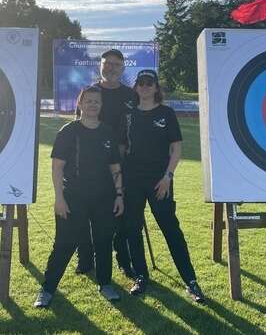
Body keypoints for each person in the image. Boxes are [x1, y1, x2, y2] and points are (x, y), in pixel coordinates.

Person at [34, 85, 125, 307]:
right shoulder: (68, 131)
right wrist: (59, 198)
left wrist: (119, 195)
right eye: (89, 101)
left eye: (97, 101)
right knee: (65, 243)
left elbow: (115, 168)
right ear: (80, 104)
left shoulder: (107, 133)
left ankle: (105, 284)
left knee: (103, 241)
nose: (93, 105)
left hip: (104, 198)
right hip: (73, 197)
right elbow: (57, 168)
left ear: (101, 106)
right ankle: (47, 289)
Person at [121, 69, 205, 303]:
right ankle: (141, 276)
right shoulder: (128, 114)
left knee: (171, 229)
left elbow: (176, 149)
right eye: (141, 83)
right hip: (132, 180)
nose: (145, 86)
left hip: (160, 181)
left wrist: (167, 177)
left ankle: (191, 280)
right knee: (133, 230)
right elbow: (121, 146)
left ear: (157, 87)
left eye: (150, 83)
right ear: (136, 87)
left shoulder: (166, 113)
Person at [74, 48, 137, 279]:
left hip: (121, 164)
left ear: (122, 68)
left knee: (120, 215)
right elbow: (77, 129)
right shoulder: (90, 92)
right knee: (85, 213)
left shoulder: (131, 95)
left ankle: (123, 259)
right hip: (90, 165)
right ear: (100, 65)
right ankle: (85, 258)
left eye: (116, 65)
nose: (111, 68)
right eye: (107, 63)